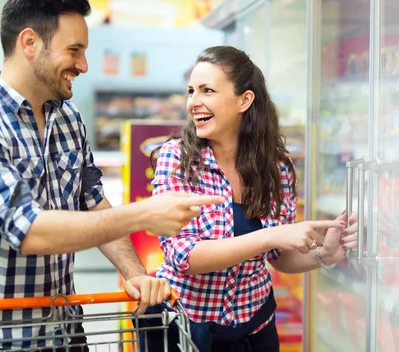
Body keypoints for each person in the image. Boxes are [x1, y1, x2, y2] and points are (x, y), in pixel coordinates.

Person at [0, 0, 223, 352]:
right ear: (29, 43)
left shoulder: (68, 119)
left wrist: (135, 274)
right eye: (74, 50)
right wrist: (142, 215)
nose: (84, 65)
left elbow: (92, 201)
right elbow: (29, 232)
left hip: (65, 330)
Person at [141, 46, 359, 352]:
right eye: (192, 91)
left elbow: (278, 256)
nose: (194, 102)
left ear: (244, 100)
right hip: (185, 330)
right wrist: (270, 234)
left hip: (255, 330)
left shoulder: (275, 167)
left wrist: (325, 255)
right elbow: (183, 257)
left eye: (207, 91)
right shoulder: (177, 158)